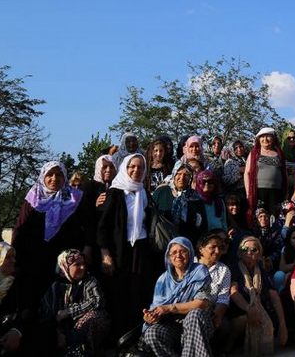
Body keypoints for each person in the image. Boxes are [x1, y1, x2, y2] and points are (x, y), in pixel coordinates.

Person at [11, 161, 88, 320]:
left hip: (62, 262)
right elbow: (20, 228)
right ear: (42, 177)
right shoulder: (33, 197)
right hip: (32, 259)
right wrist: (14, 257)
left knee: (60, 302)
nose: (54, 178)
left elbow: (86, 226)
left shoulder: (75, 198)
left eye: (59, 174)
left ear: (65, 177)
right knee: (30, 301)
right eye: (50, 174)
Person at [97, 153, 157, 340]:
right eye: (132, 166)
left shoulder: (145, 193)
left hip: (141, 250)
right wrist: (105, 254)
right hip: (119, 250)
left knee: (138, 291)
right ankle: (117, 338)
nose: (136, 170)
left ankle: (136, 336)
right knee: (118, 292)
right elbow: (102, 226)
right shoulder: (114, 193)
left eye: (140, 167)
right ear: (125, 167)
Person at [141, 237, 214, 357]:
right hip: (172, 325)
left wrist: (170, 308)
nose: (178, 255)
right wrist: (152, 316)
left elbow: (202, 303)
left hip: (199, 323)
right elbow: (158, 307)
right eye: (174, 252)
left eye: (183, 251)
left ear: (190, 253)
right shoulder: (163, 280)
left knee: (194, 315)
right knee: (152, 333)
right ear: (169, 258)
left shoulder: (200, 271)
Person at [39, 249, 110, 356]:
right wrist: (57, 333)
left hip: (82, 334)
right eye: (77, 264)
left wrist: (69, 312)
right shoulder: (55, 287)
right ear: (65, 267)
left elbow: (97, 301)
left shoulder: (89, 281)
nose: (83, 267)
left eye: (83, 264)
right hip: (59, 334)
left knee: (95, 316)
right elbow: (46, 312)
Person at [229, 236, 288, 355]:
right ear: (240, 252)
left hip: (259, 309)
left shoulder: (261, 270)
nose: (249, 252)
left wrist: (283, 325)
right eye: (245, 249)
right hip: (239, 310)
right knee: (243, 320)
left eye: (254, 250)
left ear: (259, 253)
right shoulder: (234, 268)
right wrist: (249, 309)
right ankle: (228, 347)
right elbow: (233, 292)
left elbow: (274, 295)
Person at [245, 127, 288, 221]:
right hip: (259, 192)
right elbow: (247, 173)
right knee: (260, 218)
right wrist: (248, 193)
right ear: (258, 139)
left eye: (268, 136)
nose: (265, 139)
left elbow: (284, 174)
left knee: (275, 218)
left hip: (276, 193)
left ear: (273, 138)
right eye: (262, 137)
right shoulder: (254, 153)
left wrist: (286, 194)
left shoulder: (279, 154)